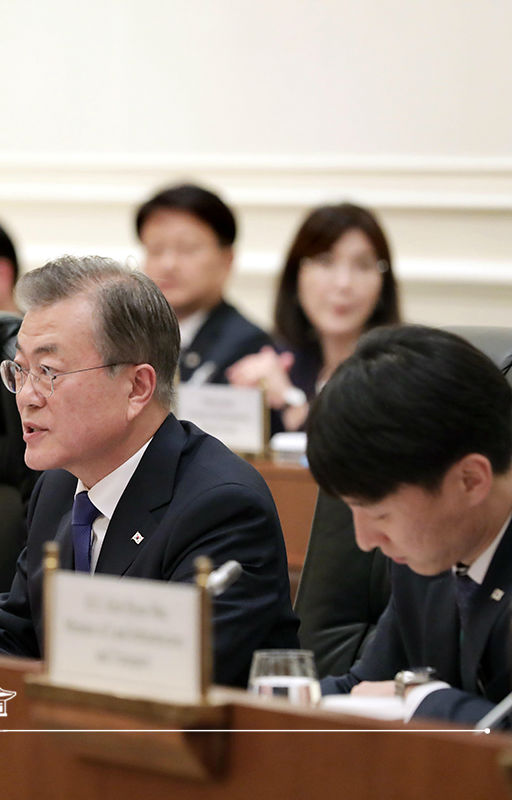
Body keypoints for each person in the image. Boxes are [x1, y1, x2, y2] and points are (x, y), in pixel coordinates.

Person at [0, 255, 299, 687]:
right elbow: (19, 633)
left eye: (48, 372)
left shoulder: (222, 508)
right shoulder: (58, 485)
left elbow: (164, 682)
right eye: (20, 370)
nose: (26, 397)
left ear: (137, 387)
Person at [309, 325, 512, 725]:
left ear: (470, 479)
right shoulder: (428, 555)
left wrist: (425, 699)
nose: (365, 541)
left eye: (381, 514)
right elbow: (367, 685)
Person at [227, 203, 401, 431]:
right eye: (325, 261)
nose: (343, 283)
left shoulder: (402, 373)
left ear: (383, 284)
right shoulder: (287, 363)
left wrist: (290, 402)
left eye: (363, 265)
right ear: (296, 278)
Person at [136, 183, 270, 384]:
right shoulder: (130, 338)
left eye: (188, 249)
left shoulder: (248, 346)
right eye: (156, 250)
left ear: (227, 259)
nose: (168, 264)